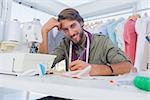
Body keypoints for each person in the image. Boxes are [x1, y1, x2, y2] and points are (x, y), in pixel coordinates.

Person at [39, 8, 133, 76]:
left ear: (81, 23)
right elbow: (43, 65)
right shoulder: (65, 44)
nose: (71, 33)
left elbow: (128, 67)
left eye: (73, 26)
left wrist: (93, 69)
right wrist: (44, 31)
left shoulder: (102, 41)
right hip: (72, 92)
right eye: (65, 29)